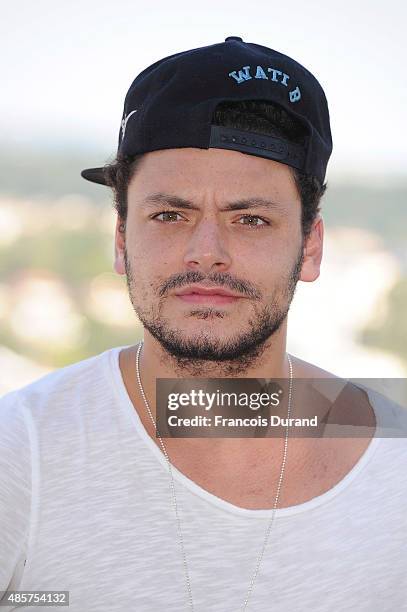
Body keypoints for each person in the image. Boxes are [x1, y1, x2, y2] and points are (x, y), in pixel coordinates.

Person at [1, 36, 406, 612]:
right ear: (120, 241)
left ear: (311, 248)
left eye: (251, 219)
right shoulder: (22, 451)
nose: (206, 252)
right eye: (170, 215)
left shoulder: (396, 466)